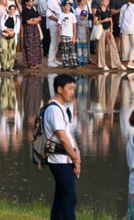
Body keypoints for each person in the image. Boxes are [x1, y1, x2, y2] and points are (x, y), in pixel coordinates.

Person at [43, 73, 81, 220]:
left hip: (65, 159)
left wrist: (76, 155)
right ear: (59, 89)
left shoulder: (62, 108)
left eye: (73, 89)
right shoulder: (54, 110)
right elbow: (63, 139)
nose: (72, 92)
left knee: (61, 197)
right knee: (70, 198)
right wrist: (75, 158)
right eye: (70, 89)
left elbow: (69, 134)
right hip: (59, 160)